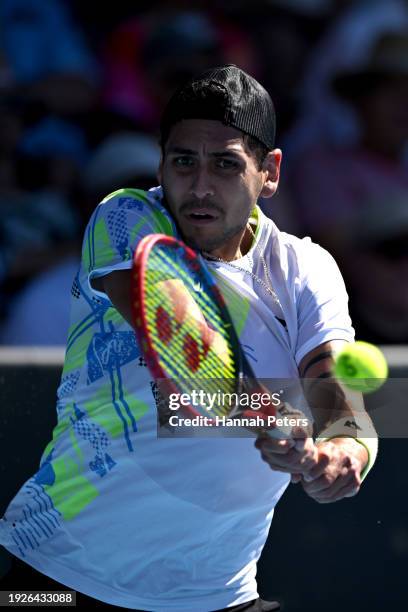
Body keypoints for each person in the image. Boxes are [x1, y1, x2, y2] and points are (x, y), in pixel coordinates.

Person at [0, 65, 378, 611]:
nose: (200, 186)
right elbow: (184, 338)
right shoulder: (125, 216)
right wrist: (266, 412)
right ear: (161, 164)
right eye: (183, 162)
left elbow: (338, 392)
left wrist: (345, 451)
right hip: (56, 578)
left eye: (226, 164)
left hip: (217, 595)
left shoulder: (307, 267)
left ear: (269, 173)